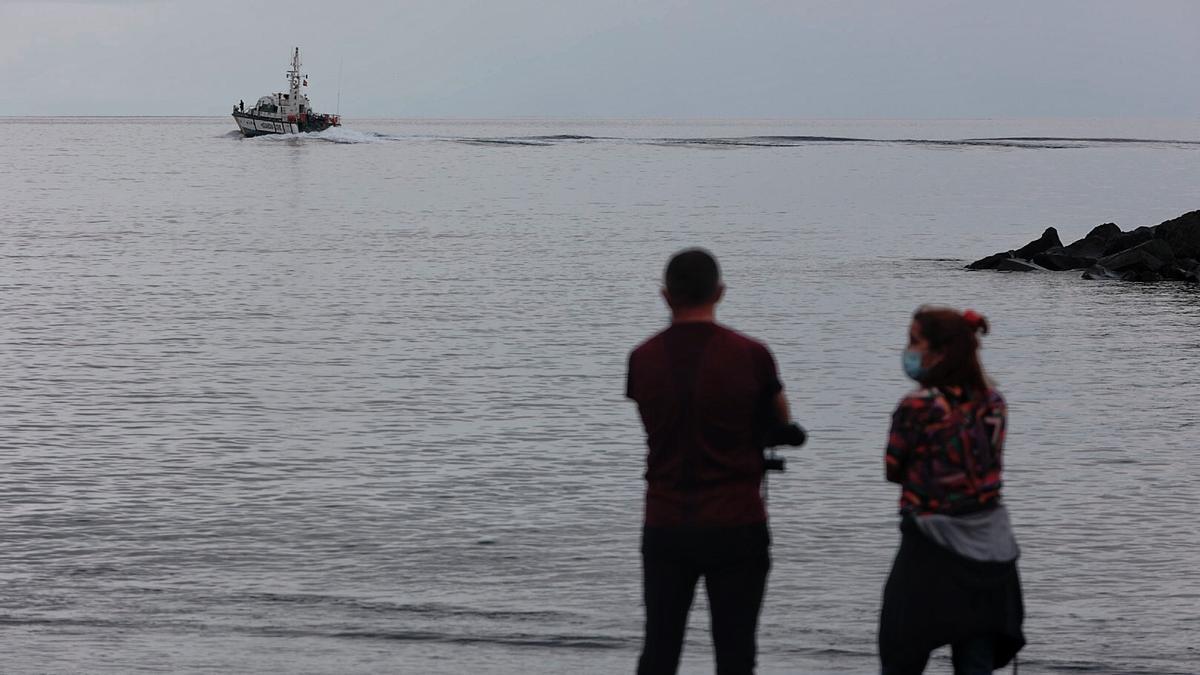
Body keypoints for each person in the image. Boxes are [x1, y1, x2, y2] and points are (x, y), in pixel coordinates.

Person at [626, 248, 791, 675]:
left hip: (664, 521)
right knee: (736, 653)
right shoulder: (751, 354)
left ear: (665, 296)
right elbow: (781, 419)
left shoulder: (642, 358)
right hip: (736, 521)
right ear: (719, 292)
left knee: (660, 648)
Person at [878, 307, 1025, 674]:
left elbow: (894, 468)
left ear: (940, 351)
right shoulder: (994, 402)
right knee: (976, 656)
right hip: (987, 546)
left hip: (928, 546)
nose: (908, 350)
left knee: (902, 649)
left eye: (914, 341)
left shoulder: (918, 406)